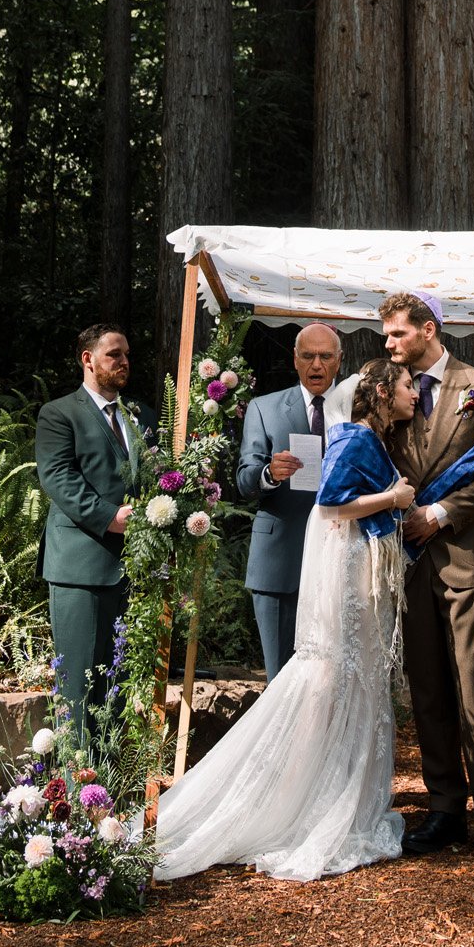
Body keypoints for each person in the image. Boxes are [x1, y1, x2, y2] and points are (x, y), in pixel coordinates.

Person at [154, 356, 418, 883]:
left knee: (348, 680)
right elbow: (332, 504)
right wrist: (395, 497)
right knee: (330, 677)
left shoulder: (367, 437)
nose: (415, 392)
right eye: (408, 385)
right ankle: (299, 800)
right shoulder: (357, 438)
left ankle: (331, 793)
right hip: (347, 576)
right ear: (382, 393)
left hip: (355, 568)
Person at [381, 289, 474, 861]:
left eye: (398, 333)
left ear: (428, 329)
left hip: (462, 557)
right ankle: (444, 809)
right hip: (410, 565)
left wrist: (437, 513)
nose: (389, 343)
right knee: (429, 690)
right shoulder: (389, 388)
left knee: (472, 688)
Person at [35, 324, 155, 744]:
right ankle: (76, 781)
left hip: (133, 569)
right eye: (113, 354)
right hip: (80, 567)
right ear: (87, 359)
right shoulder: (59, 414)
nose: (124, 362)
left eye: (127, 354)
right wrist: (110, 517)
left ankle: (111, 780)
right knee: (79, 688)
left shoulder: (139, 416)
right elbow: (58, 478)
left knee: (117, 691)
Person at [236, 321, 343, 679]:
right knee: (280, 679)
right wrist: (269, 473)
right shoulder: (264, 408)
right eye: (308, 356)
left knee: (331, 679)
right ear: (295, 359)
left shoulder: (356, 408)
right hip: (280, 559)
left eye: (325, 356)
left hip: (340, 558)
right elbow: (244, 480)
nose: (317, 365)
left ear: (339, 360)